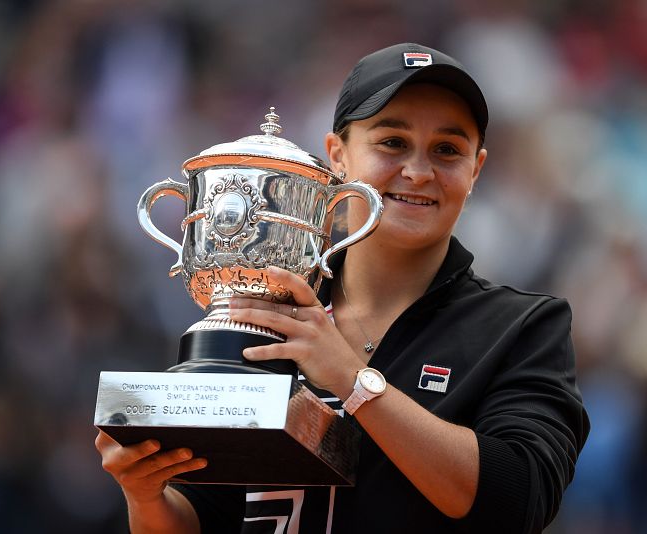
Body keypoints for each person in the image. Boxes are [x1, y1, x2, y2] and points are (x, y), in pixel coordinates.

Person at [95, 42, 590, 533]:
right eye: (391, 142)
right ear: (337, 156)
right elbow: (204, 519)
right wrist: (145, 495)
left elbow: (517, 502)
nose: (418, 172)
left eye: (447, 150)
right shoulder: (262, 320)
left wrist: (354, 381)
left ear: (475, 170)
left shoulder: (523, 328)